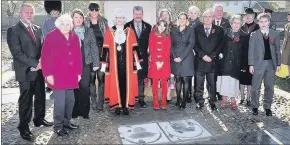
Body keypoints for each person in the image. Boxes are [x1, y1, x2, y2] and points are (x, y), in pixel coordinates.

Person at [6, 3, 53, 141]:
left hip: (39, 70)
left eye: (31, 12)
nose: (29, 14)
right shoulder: (13, 30)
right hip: (25, 71)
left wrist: (41, 63)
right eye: (26, 12)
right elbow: (17, 53)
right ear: (19, 14)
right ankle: (24, 127)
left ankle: (39, 119)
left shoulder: (37, 29)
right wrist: (34, 63)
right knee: (26, 101)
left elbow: (43, 48)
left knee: (40, 96)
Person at [41, 14, 82, 136]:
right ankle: (57, 126)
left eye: (68, 24)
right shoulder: (51, 36)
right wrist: (48, 74)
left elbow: (78, 57)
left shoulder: (74, 37)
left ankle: (66, 122)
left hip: (71, 75)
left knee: (70, 100)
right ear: (59, 25)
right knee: (59, 102)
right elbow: (45, 57)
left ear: (71, 25)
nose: (65, 26)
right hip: (57, 75)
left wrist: (79, 73)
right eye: (63, 24)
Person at [100, 8, 142, 115]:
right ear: (115, 19)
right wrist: (104, 65)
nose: (120, 20)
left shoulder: (130, 31)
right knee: (116, 85)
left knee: (126, 85)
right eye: (118, 18)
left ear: (124, 19)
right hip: (114, 64)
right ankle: (117, 106)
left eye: (122, 18)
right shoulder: (110, 31)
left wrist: (136, 63)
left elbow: (135, 47)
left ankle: (126, 106)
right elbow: (105, 48)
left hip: (127, 64)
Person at [249, 13, 281, 116]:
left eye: (265, 21)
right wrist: (251, 64)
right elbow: (251, 50)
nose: (263, 24)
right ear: (258, 23)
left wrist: (278, 64)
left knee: (269, 87)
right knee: (255, 87)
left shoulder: (275, 34)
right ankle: (255, 106)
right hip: (258, 64)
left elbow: (277, 50)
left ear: (269, 22)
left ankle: (267, 106)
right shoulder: (254, 34)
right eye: (261, 22)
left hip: (271, 64)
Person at [71, 9, 100, 119]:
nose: (78, 20)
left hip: (86, 63)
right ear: (72, 19)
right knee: (74, 87)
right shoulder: (68, 31)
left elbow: (94, 47)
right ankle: (74, 111)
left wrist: (96, 62)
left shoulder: (89, 31)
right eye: (76, 17)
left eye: (80, 17)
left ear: (83, 19)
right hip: (72, 65)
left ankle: (84, 112)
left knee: (85, 87)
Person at [194, 9, 224, 111]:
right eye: (205, 17)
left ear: (213, 18)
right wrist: (202, 55)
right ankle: (199, 101)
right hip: (200, 60)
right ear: (202, 18)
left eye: (209, 16)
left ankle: (212, 102)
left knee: (212, 84)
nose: (207, 19)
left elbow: (220, 45)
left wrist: (212, 56)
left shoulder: (219, 30)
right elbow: (195, 44)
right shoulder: (197, 29)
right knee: (199, 84)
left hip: (212, 61)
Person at [217, 15, 247, 109]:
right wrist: (220, 54)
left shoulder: (244, 36)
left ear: (241, 24)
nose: (236, 25)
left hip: (237, 62)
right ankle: (224, 98)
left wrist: (244, 65)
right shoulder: (225, 33)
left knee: (234, 81)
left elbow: (246, 52)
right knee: (225, 81)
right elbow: (220, 46)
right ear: (231, 23)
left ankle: (233, 99)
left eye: (238, 23)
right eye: (234, 23)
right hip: (225, 61)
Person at [125, 6, 152, 108]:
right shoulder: (127, 26)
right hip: (131, 57)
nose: (138, 16)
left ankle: (141, 99)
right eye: (136, 14)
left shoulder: (148, 26)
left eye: (139, 14)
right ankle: (130, 99)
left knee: (141, 78)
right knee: (131, 78)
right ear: (133, 14)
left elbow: (151, 42)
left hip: (143, 57)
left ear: (142, 14)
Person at [85, 3, 108, 111]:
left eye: (96, 9)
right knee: (91, 79)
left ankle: (101, 103)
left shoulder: (104, 21)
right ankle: (93, 101)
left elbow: (108, 37)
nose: (94, 12)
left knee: (102, 79)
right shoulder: (84, 22)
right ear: (88, 10)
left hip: (102, 54)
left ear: (99, 10)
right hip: (89, 55)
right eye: (92, 9)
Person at [171, 12, 195, 109]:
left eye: (184, 18)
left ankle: (184, 101)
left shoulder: (190, 30)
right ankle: (178, 99)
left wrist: (181, 57)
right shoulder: (173, 30)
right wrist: (174, 56)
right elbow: (171, 44)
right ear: (178, 19)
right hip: (175, 57)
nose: (182, 20)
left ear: (186, 20)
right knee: (177, 78)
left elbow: (191, 45)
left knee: (185, 79)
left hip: (186, 57)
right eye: (180, 18)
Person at [148, 20, 171, 110]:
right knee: (155, 83)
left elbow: (168, 50)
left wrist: (162, 61)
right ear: (157, 25)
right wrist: (156, 61)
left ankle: (164, 102)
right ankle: (155, 102)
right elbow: (151, 48)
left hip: (165, 63)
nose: (162, 27)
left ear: (166, 27)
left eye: (164, 26)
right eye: (160, 25)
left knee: (165, 83)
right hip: (154, 63)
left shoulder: (168, 36)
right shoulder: (152, 34)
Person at [239, 8, 259, 106]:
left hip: (253, 58)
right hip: (241, 57)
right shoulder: (240, 27)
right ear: (243, 17)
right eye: (246, 15)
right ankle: (242, 97)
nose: (248, 17)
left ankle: (248, 99)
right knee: (242, 78)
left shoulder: (258, 27)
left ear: (254, 16)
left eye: (250, 15)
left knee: (250, 79)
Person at [212, 4, 231, 101]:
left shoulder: (227, 23)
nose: (219, 12)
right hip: (211, 53)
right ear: (214, 12)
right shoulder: (209, 21)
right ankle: (212, 92)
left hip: (222, 53)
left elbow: (228, 38)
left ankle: (220, 92)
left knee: (220, 75)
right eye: (217, 10)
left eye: (221, 11)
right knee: (211, 74)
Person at [158, 9, 175, 103]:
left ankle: (168, 93)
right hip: (161, 54)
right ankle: (163, 93)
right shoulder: (157, 26)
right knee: (162, 75)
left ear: (169, 15)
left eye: (166, 14)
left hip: (172, 54)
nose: (165, 16)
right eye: (163, 15)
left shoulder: (174, 26)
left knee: (170, 75)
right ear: (160, 16)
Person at [188, 5, 202, 103]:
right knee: (188, 74)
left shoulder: (201, 25)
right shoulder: (185, 23)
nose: (193, 15)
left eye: (195, 13)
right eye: (191, 13)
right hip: (187, 52)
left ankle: (197, 94)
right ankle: (188, 93)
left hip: (197, 52)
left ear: (198, 14)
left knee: (197, 74)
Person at [281, 12, 290, 79]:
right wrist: (283, 47)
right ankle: (289, 75)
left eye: (289, 16)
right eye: (288, 16)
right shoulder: (287, 25)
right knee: (288, 62)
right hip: (287, 46)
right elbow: (285, 36)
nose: (288, 17)